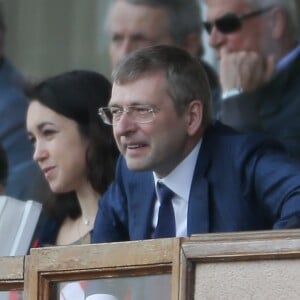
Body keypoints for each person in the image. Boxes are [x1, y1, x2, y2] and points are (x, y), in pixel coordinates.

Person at [92, 44, 300, 243]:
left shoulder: (242, 160)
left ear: (191, 117)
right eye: (117, 112)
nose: (122, 129)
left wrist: (258, 269)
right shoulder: (130, 174)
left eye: (142, 110)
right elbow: (100, 261)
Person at [26, 70, 119, 246]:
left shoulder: (134, 220)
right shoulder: (49, 227)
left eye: (48, 133)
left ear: (93, 131)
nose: (37, 154)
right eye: (33, 140)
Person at [202, 0, 300, 160]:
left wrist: (237, 102)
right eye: (208, 27)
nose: (213, 41)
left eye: (227, 24)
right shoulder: (210, 98)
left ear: (275, 23)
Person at [106, 0, 221, 117]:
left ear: (189, 45)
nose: (124, 54)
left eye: (140, 40)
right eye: (117, 39)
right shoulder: (98, 111)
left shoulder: (222, 116)